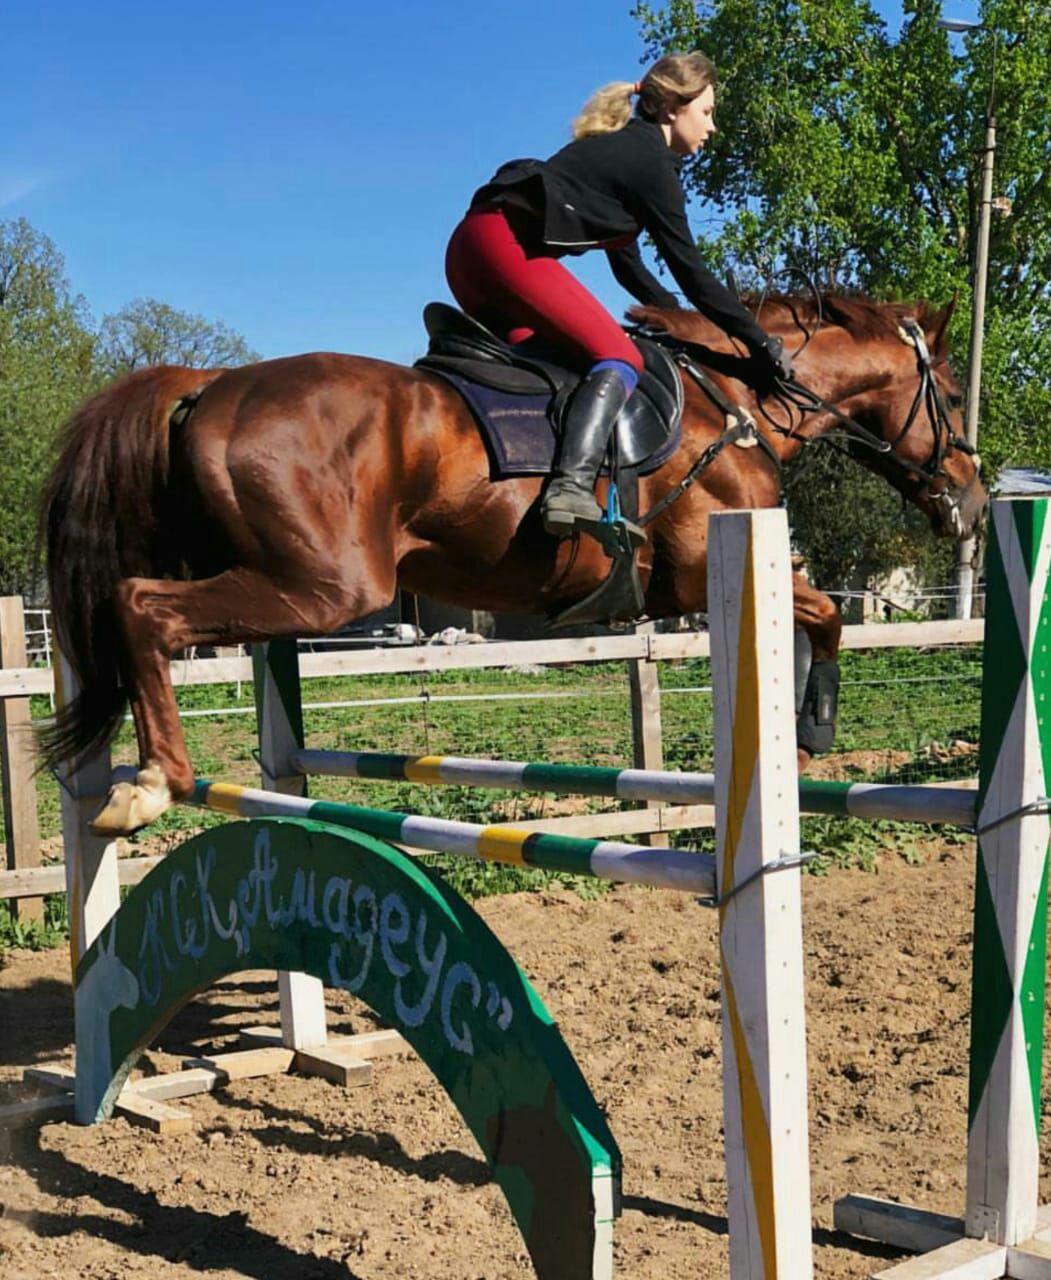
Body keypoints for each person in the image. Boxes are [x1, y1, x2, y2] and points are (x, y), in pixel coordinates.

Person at [444, 51, 793, 537]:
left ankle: (515, 487)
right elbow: (690, 270)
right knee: (620, 357)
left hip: (471, 251)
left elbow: (631, 270)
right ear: (673, 108)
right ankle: (570, 487)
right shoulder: (653, 164)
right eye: (707, 112)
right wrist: (758, 340)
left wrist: (680, 323)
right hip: (503, 248)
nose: (712, 127)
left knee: (560, 367)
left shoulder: (624, 151)